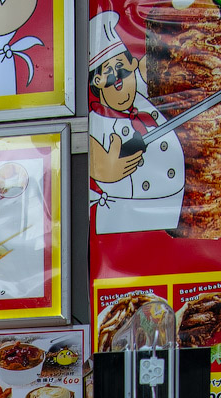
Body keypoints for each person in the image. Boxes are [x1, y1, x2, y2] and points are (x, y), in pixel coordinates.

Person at [84, 9, 186, 237]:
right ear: (97, 83)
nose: (119, 79)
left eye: (123, 70)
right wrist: (101, 167)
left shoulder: (143, 91)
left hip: (174, 208)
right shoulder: (96, 122)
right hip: (124, 217)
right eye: (109, 77)